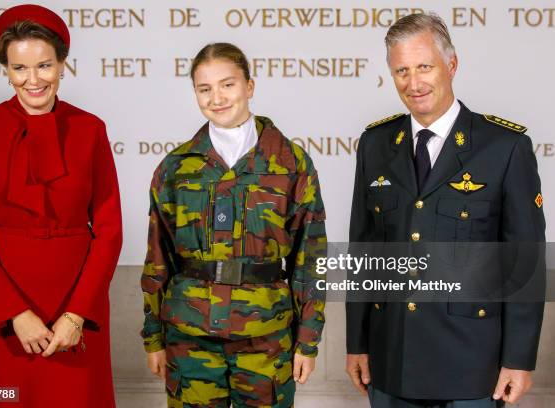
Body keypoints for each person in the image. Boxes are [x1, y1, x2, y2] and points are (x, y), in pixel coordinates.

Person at [345, 12, 545, 408]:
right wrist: (357, 344)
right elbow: (363, 254)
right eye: (401, 70)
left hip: (472, 367)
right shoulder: (375, 145)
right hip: (391, 360)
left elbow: (525, 264)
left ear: (451, 65)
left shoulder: (504, 148)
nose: (414, 83)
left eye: (424, 67)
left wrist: (518, 359)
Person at [0, 4, 122, 407]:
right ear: (6, 70)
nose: (33, 80)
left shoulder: (90, 129)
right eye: (19, 68)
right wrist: (14, 313)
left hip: (76, 303)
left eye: (44, 66)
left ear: (62, 64)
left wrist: (77, 314)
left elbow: (110, 229)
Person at [140, 43, 326, 407]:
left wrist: (308, 339)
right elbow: (157, 257)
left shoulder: (291, 162)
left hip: (266, 338)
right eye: (204, 88)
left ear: (249, 87)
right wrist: (154, 338)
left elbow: (311, 257)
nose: (217, 98)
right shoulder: (175, 168)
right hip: (189, 337)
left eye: (228, 85)